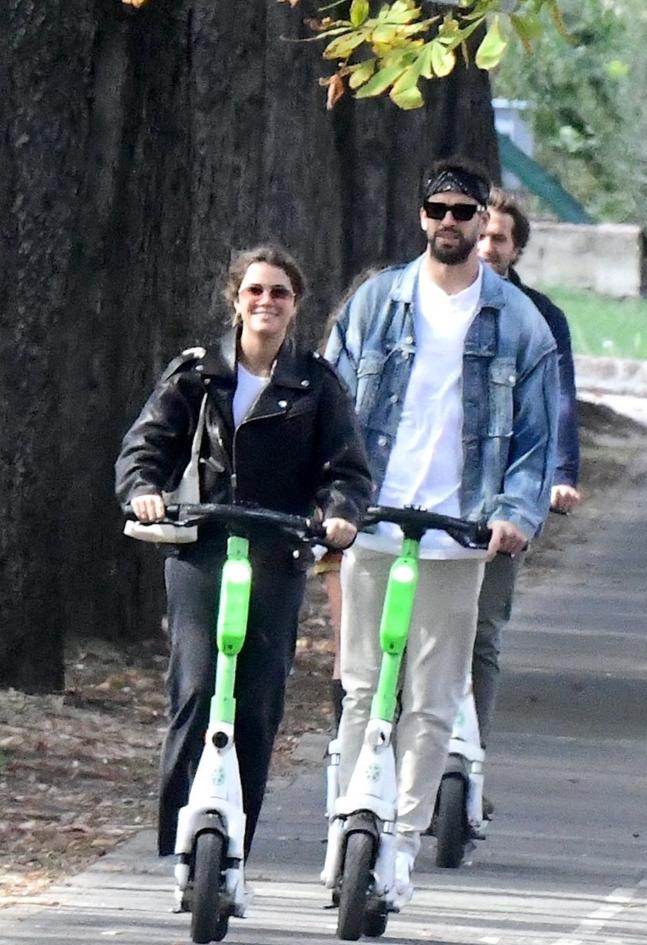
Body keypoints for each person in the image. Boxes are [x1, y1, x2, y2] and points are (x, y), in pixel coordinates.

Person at [325, 155, 559, 901]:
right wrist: (330, 496)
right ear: (420, 215)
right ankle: (347, 820)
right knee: (362, 688)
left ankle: (397, 838)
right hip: (373, 519)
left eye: (465, 212)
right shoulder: (376, 302)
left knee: (431, 695)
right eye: (438, 210)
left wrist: (516, 515)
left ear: (485, 218)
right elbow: (331, 403)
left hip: (460, 532)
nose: (450, 224)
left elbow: (534, 435)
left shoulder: (517, 320)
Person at [115, 244, 372, 861]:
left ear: (295, 306)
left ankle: (235, 846)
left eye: (279, 293)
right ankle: (178, 837)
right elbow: (143, 449)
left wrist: (338, 514)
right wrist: (146, 492)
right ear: (235, 299)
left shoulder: (316, 383)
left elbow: (347, 471)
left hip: (278, 553)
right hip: (203, 549)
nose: (266, 303)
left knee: (257, 705)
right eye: (254, 291)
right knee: (199, 688)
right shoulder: (197, 375)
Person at [474, 188, 581, 759]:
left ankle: (467, 762)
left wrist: (560, 473)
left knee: (483, 633)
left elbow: (558, 399)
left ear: (515, 251)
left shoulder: (541, 317)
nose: (486, 246)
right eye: (481, 233)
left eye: (499, 238)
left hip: (506, 489)